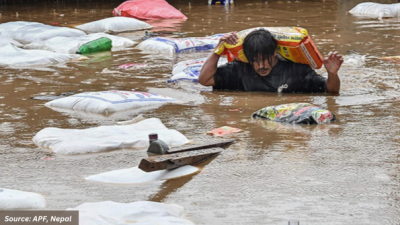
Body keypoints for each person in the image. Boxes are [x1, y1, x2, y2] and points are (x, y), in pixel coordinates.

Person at [199, 29, 343, 93]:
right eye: (255, 60)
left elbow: (331, 91)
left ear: (275, 52)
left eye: (264, 59)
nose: (261, 65)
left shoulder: (297, 71)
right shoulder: (239, 70)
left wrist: (332, 74)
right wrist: (218, 50)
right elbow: (204, 80)